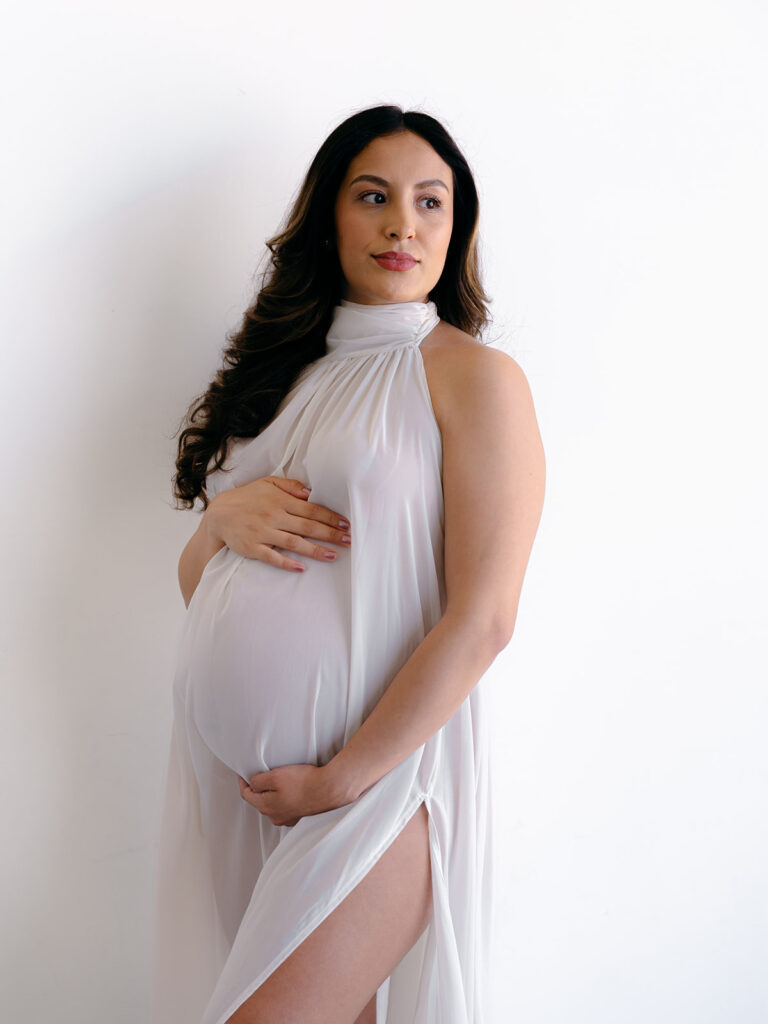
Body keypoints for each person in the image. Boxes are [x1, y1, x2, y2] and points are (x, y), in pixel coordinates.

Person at [150, 104, 545, 1024]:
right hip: (256, 798)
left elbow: (485, 617)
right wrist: (220, 524)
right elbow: (200, 591)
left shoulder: (474, 381)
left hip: (381, 786)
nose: (404, 221)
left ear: (458, 228)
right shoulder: (286, 375)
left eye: (431, 201)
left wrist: (340, 780)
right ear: (331, 216)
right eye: (374, 196)